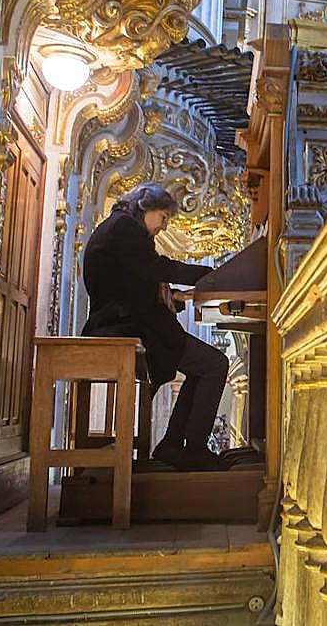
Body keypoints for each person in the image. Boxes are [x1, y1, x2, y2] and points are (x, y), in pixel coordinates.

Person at [81, 183, 230, 471]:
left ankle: (175, 445)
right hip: (122, 325)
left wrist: (174, 295)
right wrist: (212, 277)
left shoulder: (120, 227)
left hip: (124, 320)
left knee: (205, 366)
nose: (163, 227)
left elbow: (137, 281)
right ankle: (190, 447)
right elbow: (158, 269)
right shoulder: (125, 227)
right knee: (214, 364)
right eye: (163, 217)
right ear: (146, 207)